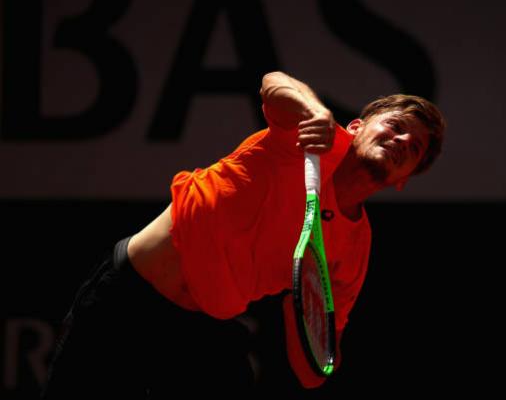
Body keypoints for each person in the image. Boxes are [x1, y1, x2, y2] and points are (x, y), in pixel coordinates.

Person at [41, 71, 446, 398]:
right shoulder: (307, 138)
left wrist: (320, 346)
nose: (402, 141)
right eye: (396, 126)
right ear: (356, 126)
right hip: (125, 299)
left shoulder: (354, 247)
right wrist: (314, 110)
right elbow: (273, 85)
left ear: (403, 180)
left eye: (413, 149)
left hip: (201, 335)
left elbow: (313, 367)